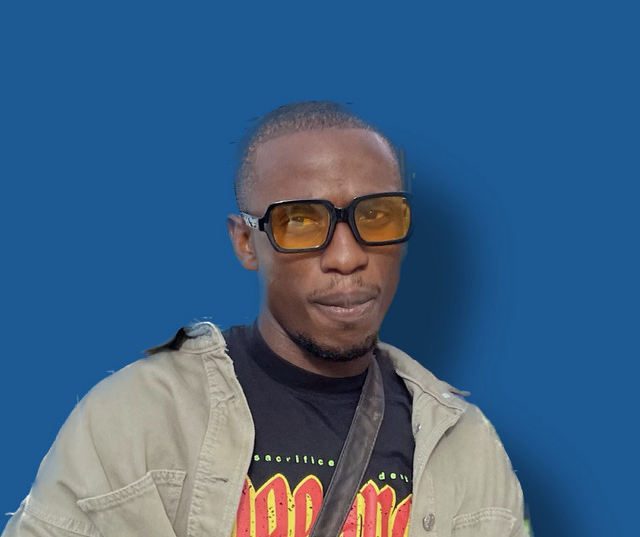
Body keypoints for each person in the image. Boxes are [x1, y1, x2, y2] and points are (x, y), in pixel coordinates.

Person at [3, 101, 528, 537]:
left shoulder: (467, 446)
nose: (347, 257)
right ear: (245, 242)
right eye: (301, 222)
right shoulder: (133, 419)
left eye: (376, 216)